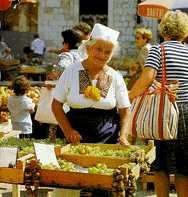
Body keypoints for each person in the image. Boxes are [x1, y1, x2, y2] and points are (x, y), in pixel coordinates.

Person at [129, 10, 188, 197]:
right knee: (183, 166)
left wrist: (130, 95)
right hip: (186, 111)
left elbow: (147, 78)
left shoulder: (158, 49)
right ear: (185, 32)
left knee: (161, 164)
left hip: (164, 111)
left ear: (163, 30)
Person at [52, 23, 131, 145]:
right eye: (98, 49)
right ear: (88, 48)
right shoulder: (72, 71)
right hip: (75, 138)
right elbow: (56, 105)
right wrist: (68, 131)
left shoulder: (115, 76)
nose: (102, 55)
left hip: (108, 138)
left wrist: (123, 136)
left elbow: (125, 110)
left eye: (107, 52)